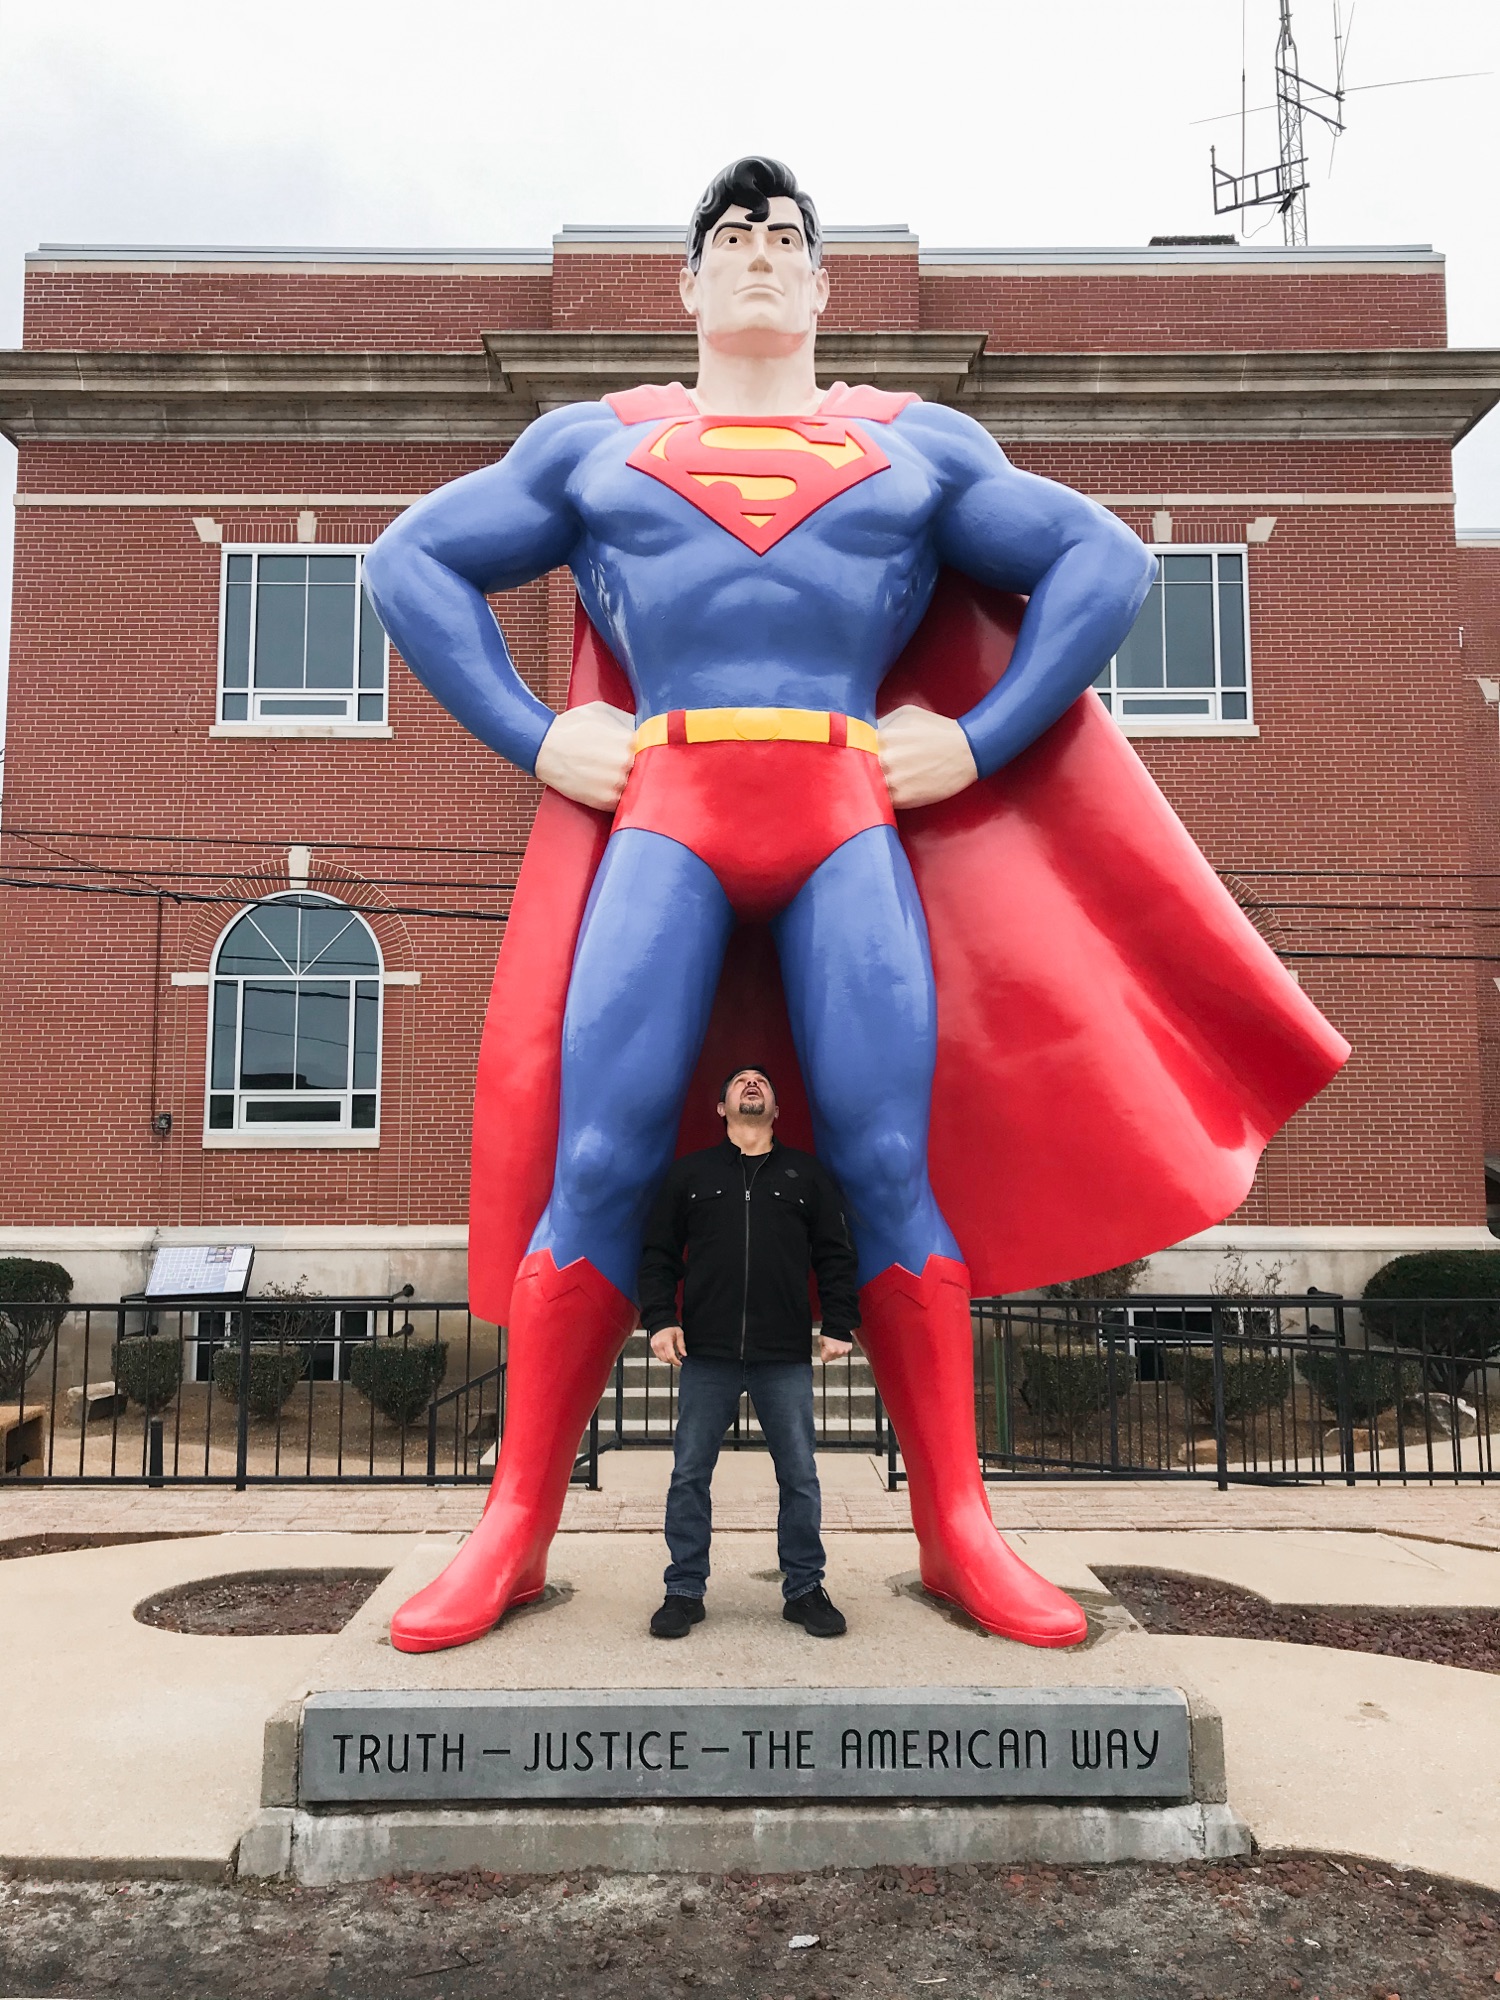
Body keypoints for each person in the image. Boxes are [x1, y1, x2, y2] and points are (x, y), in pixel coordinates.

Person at [364, 155, 1343, 1658]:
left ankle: (958, 1527)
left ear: (823, 288)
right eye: (733, 237)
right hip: (671, 810)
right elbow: (409, 559)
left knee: (893, 1156)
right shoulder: (598, 444)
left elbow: (1105, 557)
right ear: (686, 286)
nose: (760, 254)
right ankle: (513, 1526)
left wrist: (985, 729)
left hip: (841, 812)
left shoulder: (915, 445)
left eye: (787, 240)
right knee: (602, 1149)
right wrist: (531, 732)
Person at [638, 1064, 859, 1641]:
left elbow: (836, 1255)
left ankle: (805, 1589)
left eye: (763, 1080)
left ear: (777, 1109)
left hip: (782, 1353)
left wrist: (839, 1323)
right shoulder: (690, 1175)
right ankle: (683, 1591)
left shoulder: (805, 1174)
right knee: (689, 1474)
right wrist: (660, 1320)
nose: (752, 1084)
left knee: (800, 1475)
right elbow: (658, 1252)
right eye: (739, 1081)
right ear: (721, 1107)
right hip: (706, 1353)